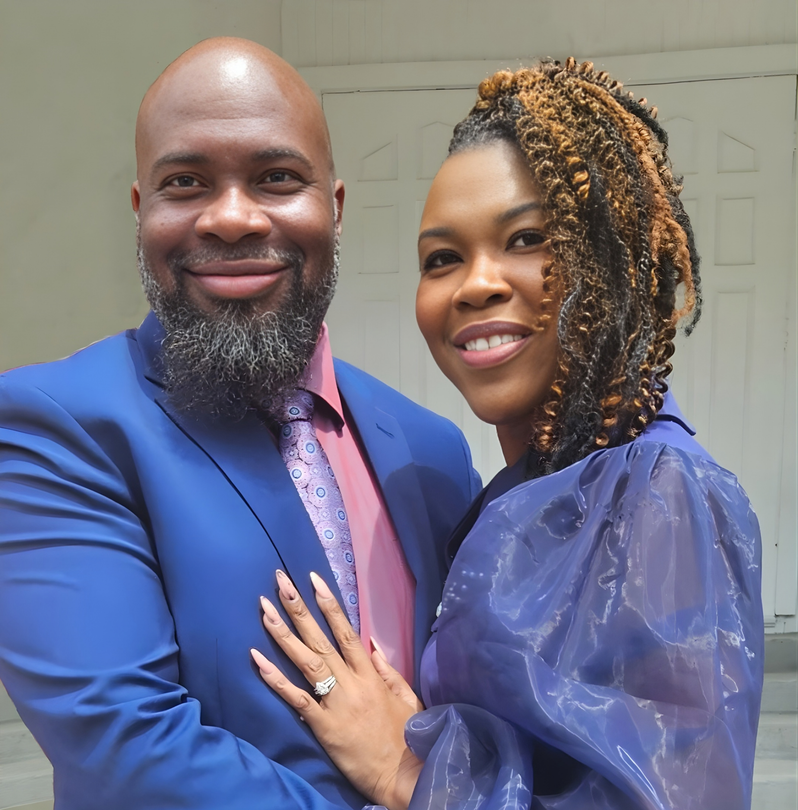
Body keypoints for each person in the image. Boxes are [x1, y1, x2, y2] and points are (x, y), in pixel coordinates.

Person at [250, 59, 764, 810]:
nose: (476, 282)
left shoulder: (661, 494)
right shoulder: (522, 490)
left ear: (611, 257)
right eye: (442, 258)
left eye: (526, 238)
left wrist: (412, 774)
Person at [0, 38, 480, 809]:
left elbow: (478, 701)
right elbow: (131, 751)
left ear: (335, 207)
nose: (230, 217)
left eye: (277, 178)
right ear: (141, 211)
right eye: (185, 182)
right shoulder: (57, 428)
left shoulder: (433, 449)